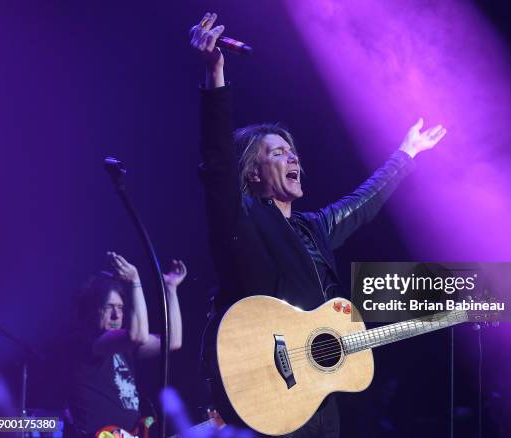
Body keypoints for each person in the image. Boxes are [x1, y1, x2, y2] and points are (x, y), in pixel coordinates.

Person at [191, 12, 446, 437]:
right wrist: (215, 74)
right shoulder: (242, 217)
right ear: (252, 174)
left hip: (317, 400)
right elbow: (218, 163)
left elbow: (362, 204)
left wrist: (406, 155)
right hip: (266, 395)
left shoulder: (314, 229)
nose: (292, 158)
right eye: (276, 153)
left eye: (292, 152)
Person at [65, 252, 187, 438]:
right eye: (109, 307)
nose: (116, 315)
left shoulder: (125, 349)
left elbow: (173, 342)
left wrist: (170, 289)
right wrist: (134, 281)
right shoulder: (87, 341)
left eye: (120, 308)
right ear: (93, 310)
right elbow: (137, 336)